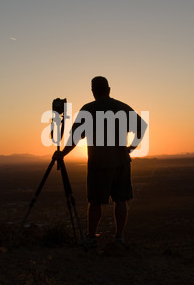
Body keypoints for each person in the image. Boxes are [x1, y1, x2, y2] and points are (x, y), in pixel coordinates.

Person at [53, 76, 146, 248]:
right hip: (121, 162)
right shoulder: (122, 107)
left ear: (93, 91)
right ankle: (119, 238)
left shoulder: (88, 110)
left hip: (99, 164)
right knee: (121, 200)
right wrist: (130, 148)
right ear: (109, 89)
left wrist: (62, 154)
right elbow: (142, 126)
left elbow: (74, 138)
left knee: (95, 202)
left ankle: (91, 239)